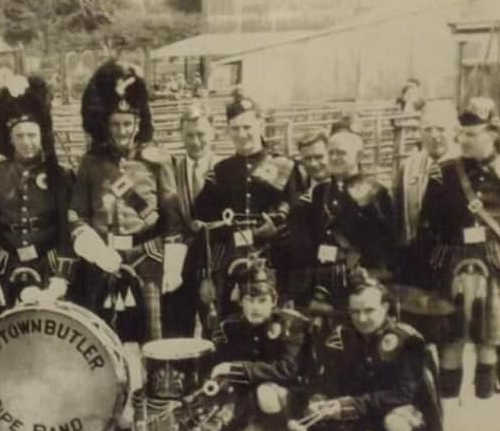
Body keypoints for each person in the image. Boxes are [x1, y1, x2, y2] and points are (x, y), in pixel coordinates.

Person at [417, 96, 500, 431]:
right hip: (452, 267)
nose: (464, 139)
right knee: (450, 345)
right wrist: (427, 277)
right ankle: (451, 425)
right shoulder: (446, 172)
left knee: (487, 347)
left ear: (492, 134)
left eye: (472, 133)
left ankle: (481, 425)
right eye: (461, 133)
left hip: (495, 268)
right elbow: (427, 226)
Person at [68, 60, 185, 364]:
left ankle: (154, 400)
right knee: (100, 340)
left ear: (138, 124)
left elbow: (172, 219)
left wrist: (172, 267)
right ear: (106, 124)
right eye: (115, 124)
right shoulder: (91, 163)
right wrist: (95, 251)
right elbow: (76, 214)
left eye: (127, 124)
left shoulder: (157, 160)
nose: (122, 131)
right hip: (104, 260)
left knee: (152, 342)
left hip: (147, 259)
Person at [292, 276, 445, 431]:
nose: (361, 319)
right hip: (366, 407)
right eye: (355, 311)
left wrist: (350, 405)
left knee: (395, 423)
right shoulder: (343, 336)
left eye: (369, 310)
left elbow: (405, 393)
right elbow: (330, 376)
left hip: (400, 408)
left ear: (385, 307)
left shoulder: (405, 339)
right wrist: (320, 399)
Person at [192, 96, 301, 320]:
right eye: (235, 128)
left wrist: (278, 228)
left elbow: (297, 213)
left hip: (274, 259)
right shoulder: (221, 171)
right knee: (231, 323)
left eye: (247, 127)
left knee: (275, 325)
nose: (241, 134)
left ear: (261, 125)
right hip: (232, 261)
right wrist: (206, 273)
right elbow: (203, 223)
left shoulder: (285, 166)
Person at [0, 75, 75, 311]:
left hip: (48, 266)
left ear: (42, 137)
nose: (26, 142)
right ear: (10, 139)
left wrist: (61, 276)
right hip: (8, 265)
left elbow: (66, 228)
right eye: (19, 136)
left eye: (32, 135)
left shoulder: (60, 174)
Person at [207, 260, 308, 431]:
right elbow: (221, 365)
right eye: (249, 300)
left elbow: (288, 369)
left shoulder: (289, 324)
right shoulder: (231, 326)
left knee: (265, 391)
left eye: (262, 300)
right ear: (241, 302)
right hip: (253, 391)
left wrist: (239, 370)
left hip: (293, 393)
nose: (255, 307)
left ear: (274, 301)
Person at [288, 129, 396, 310]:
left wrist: (370, 276)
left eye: (341, 153)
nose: (335, 158)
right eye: (331, 152)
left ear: (359, 155)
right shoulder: (320, 192)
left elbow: (385, 242)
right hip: (325, 279)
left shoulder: (374, 192)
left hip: (360, 278)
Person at [393, 101, 459, 286]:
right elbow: (398, 214)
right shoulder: (408, 165)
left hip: (453, 260)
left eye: (441, 129)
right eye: (428, 129)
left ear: (455, 131)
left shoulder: (465, 166)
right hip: (415, 257)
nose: (434, 136)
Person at [170, 103, 215, 338]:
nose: (195, 142)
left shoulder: (224, 169)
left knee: (214, 330)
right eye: (189, 135)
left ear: (213, 133)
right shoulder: (171, 170)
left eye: (201, 135)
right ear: (180, 135)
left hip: (214, 265)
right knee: (178, 332)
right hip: (179, 265)